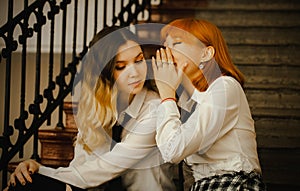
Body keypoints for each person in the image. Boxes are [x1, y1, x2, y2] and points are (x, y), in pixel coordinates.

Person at [6, 26, 176, 191]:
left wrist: (41, 171)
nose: (135, 72)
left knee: (31, 184)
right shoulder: (98, 106)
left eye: (139, 60)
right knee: (25, 184)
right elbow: (81, 165)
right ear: (106, 72)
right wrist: (35, 172)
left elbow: (107, 167)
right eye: (121, 66)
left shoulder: (155, 108)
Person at [151, 18, 266, 191]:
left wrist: (167, 95)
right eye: (165, 45)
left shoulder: (225, 87)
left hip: (234, 184)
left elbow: (172, 150)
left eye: (176, 43)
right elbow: (189, 173)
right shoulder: (185, 102)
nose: (167, 51)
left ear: (206, 54)